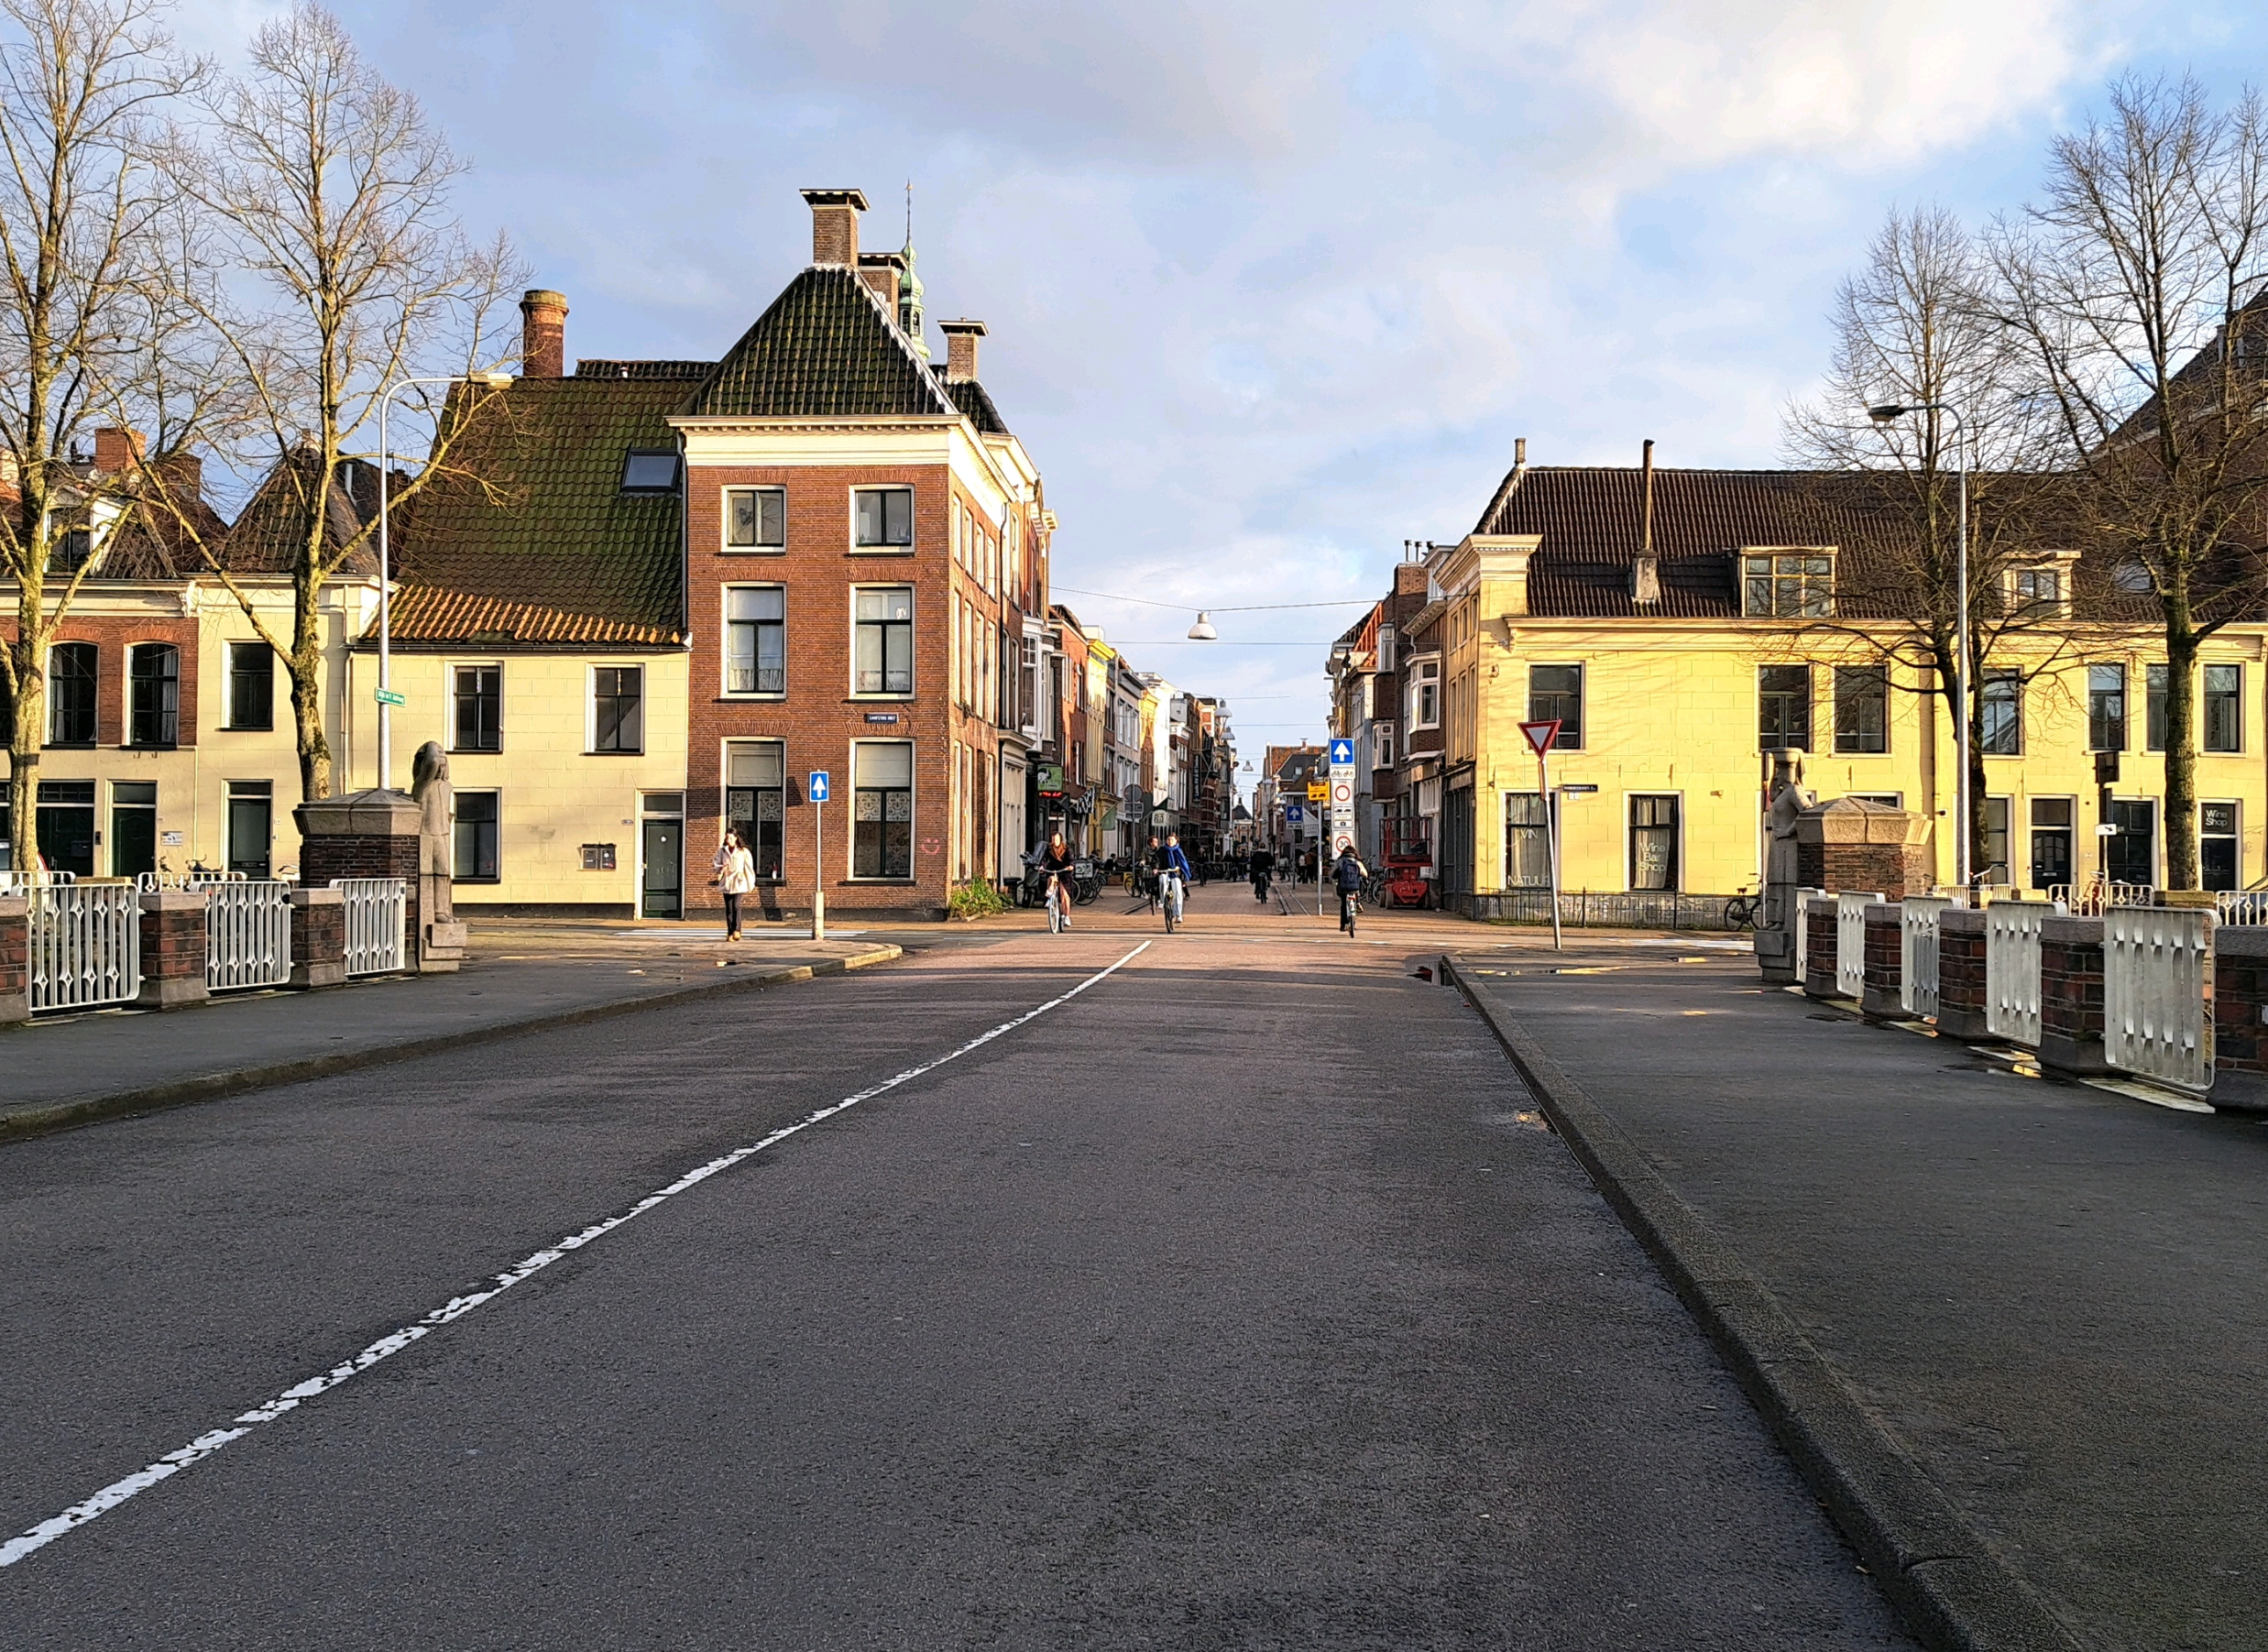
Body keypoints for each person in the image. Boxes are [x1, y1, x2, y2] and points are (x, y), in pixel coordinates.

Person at [714, 830, 757, 941]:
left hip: (739, 881)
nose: (729, 841)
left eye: (731, 838)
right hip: (727, 882)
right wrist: (721, 868)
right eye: (727, 838)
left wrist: (750, 883)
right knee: (729, 908)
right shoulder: (722, 851)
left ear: (736, 838)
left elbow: (748, 868)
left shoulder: (743, 852)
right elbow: (715, 864)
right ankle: (730, 932)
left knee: (736, 906)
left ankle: (737, 930)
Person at [1155, 832, 1195, 924]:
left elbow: (1183, 863)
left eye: (1172, 840)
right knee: (1162, 879)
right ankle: (1162, 900)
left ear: (1176, 841)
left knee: (1178, 891)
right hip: (1164, 872)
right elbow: (1156, 860)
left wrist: (1181, 871)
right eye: (1168, 839)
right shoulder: (1161, 850)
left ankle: (1178, 914)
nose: (1169, 841)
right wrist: (1156, 868)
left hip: (1175, 875)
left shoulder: (1178, 851)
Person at [1038, 830, 1075, 929]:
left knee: (1064, 895)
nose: (1055, 841)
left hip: (1064, 871)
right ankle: (1050, 895)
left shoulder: (1067, 849)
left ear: (1060, 840)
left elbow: (1071, 860)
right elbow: (1045, 859)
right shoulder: (1049, 848)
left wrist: (1070, 866)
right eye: (1053, 839)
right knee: (1051, 878)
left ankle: (1066, 916)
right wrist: (1042, 866)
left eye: (1057, 839)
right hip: (1053, 868)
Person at [1332, 845, 1368, 935]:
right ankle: (1358, 904)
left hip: (1343, 887)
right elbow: (1365, 874)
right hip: (1355, 887)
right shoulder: (1357, 862)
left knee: (1343, 904)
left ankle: (1343, 925)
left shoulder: (1340, 862)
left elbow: (1333, 874)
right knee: (1355, 896)